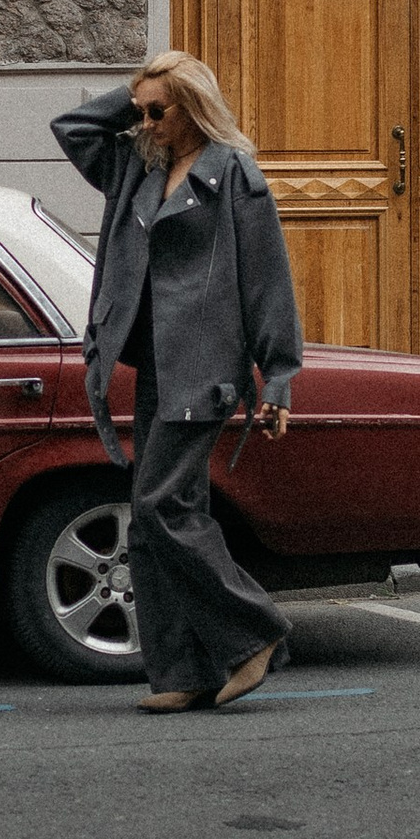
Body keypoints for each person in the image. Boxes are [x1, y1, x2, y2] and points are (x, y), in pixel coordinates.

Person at [52, 52, 305, 713]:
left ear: (193, 107)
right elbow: (72, 129)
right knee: (152, 522)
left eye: (159, 111)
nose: (148, 123)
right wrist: (139, 88)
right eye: (140, 113)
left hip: (208, 365)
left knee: (162, 505)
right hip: (156, 363)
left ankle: (253, 632)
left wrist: (277, 376)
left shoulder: (233, 174)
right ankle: (182, 672)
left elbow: (267, 278)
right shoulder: (138, 166)